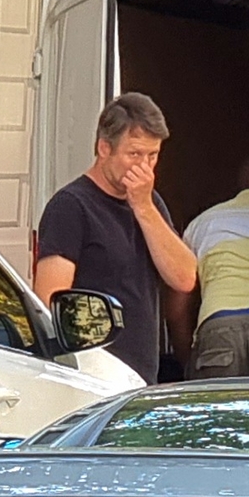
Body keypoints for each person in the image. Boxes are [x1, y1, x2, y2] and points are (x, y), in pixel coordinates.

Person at [33, 92, 200, 384]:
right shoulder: (71, 206)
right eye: (134, 154)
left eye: (153, 155)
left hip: (141, 376)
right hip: (93, 376)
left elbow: (184, 277)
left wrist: (144, 208)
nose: (144, 168)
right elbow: (50, 300)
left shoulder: (150, 203)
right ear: (104, 148)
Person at [183, 154, 249, 378]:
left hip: (218, 323)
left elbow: (178, 302)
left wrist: (188, 355)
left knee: (219, 412)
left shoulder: (203, 222)